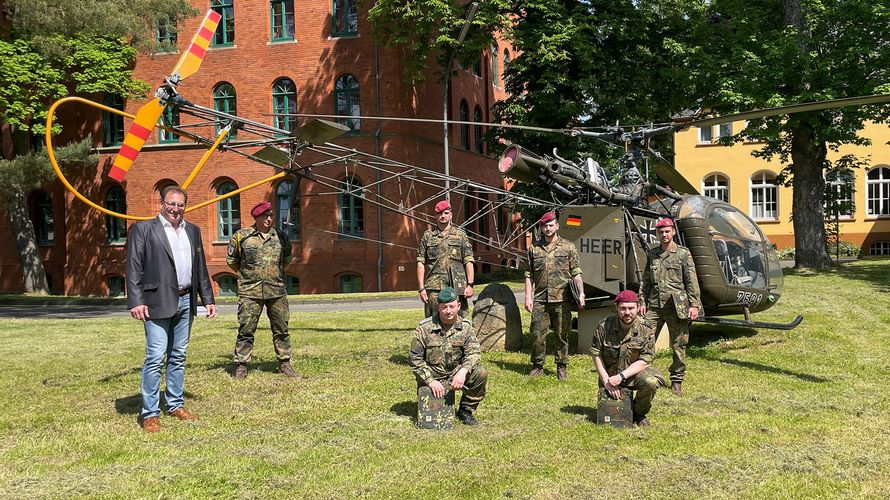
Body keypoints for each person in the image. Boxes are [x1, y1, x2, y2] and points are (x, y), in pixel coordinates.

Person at [126, 185, 217, 433]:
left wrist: (207, 298)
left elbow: (200, 268)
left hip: (186, 300)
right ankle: (150, 413)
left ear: (185, 206)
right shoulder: (144, 229)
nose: (175, 209)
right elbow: (134, 268)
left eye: (180, 204)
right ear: (162, 203)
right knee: (155, 357)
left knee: (178, 356)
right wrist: (136, 301)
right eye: (171, 203)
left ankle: (175, 404)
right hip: (156, 302)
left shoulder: (193, 231)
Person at [227, 201, 297, 380]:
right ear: (256, 217)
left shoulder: (280, 236)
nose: (269, 219)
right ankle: (241, 365)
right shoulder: (242, 236)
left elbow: (287, 258)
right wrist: (249, 276)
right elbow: (232, 261)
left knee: (281, 328)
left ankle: (284, 363)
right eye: (265, 216)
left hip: (276, 290)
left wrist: (273, 274)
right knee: (246, 330)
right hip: (250, 291)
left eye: (271, 215)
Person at [639, 217, 701, 396]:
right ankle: (644, 374)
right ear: (658, 233)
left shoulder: (683, 254)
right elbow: (646, 281)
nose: (664, 234)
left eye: (667, 231)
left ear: (673, 232)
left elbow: (691, 281)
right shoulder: (652, 254)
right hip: (654, 305)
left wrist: (694, 305)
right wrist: (642, 301)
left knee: (678, 344)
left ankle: (676, 380)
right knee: (645, 340)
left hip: (677, 306)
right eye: (661, 232)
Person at [409, 287, 488, 425]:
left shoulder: (466, 327)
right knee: (431, 421)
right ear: (438, 307)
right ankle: (431, 396)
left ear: (458, 306)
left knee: (480, 373)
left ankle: (466, 410)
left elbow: (474, 353)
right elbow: (415, 359)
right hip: (433, 375)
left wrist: (463, 372)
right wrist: (430, 381)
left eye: (452, 306)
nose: (448, 311)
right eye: (444, 307)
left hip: (456, 373)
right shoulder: (424, 328)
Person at [524, 211, 585, 380]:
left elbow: (576, 272)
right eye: (545, 225)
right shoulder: (533, 248)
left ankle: (561, 366)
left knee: (562, 334)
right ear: (541, 228)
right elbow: (529, 274)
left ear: (557, 226)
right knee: (537, 334)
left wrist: (581, 293)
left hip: (562, 299)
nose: (548, 228)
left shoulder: (568, 247)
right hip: (540, 299)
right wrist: (528, 297)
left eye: (551, 225)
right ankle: (537, 366)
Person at [591, 290, 664, 427]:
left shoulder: (646, 328)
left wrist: (621, 377)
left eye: (631, 308)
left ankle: (639, 414)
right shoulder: (604, 326)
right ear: (616, 308)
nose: (627, 312)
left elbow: (645, 360)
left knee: (651, 382)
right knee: (610, 419)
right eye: (623, 308)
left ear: (637, 308)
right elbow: (596, 354)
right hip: (610, 378)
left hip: (634, 374)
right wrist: (606, 381)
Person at [416, 200, 475, 318]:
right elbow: (420, 263)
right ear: (435, 216)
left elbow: (468, 261)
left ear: (451, 215)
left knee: (459, 321)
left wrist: (470, 285)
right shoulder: (428, 236)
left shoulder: (460, 235)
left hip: (457, 287)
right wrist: (421, 288)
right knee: (433, 322)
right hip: (434, 287)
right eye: (439, 213)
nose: (443, 216)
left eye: (446, 213)